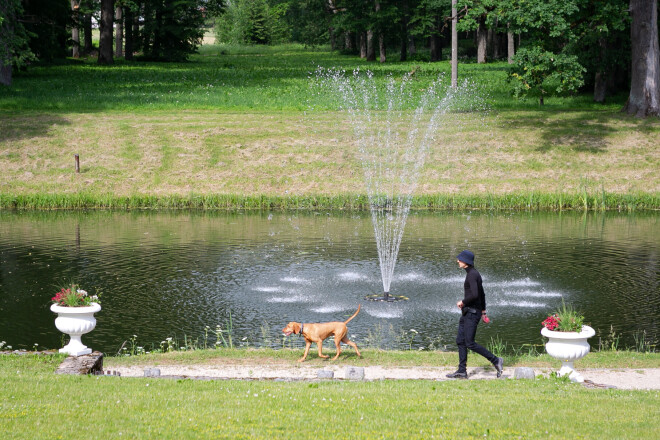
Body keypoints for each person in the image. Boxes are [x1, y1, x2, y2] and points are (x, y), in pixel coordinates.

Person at [446, 250, 503, 379]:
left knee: (470, 343)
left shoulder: (472, 275)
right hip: (469, 313)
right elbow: (482, 294)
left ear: (466, 261)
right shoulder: (473, 273)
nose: (458, 261)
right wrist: (484, 312)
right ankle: (461, 371)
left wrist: (463, 301)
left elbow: (475, 295)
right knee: (460, 341)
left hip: (471, 314)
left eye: (460, 259)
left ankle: (496, 360)